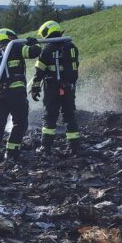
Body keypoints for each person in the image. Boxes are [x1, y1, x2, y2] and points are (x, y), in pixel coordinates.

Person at [0, 28, 40, 162]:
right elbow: (33, 52)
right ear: (9, 37)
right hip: (16, 93)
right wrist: (34, 43)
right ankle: (12, 151)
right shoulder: (14, 46)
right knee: (20, 122)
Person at [29, 20, 81, 153]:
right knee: (69, 116)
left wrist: (35, 88)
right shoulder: (72, 47)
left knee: (50, 117)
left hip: (52, 88)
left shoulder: (47, 49)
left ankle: (45, 147)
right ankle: (74, 147)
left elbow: (38, 72)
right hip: (69, 87)